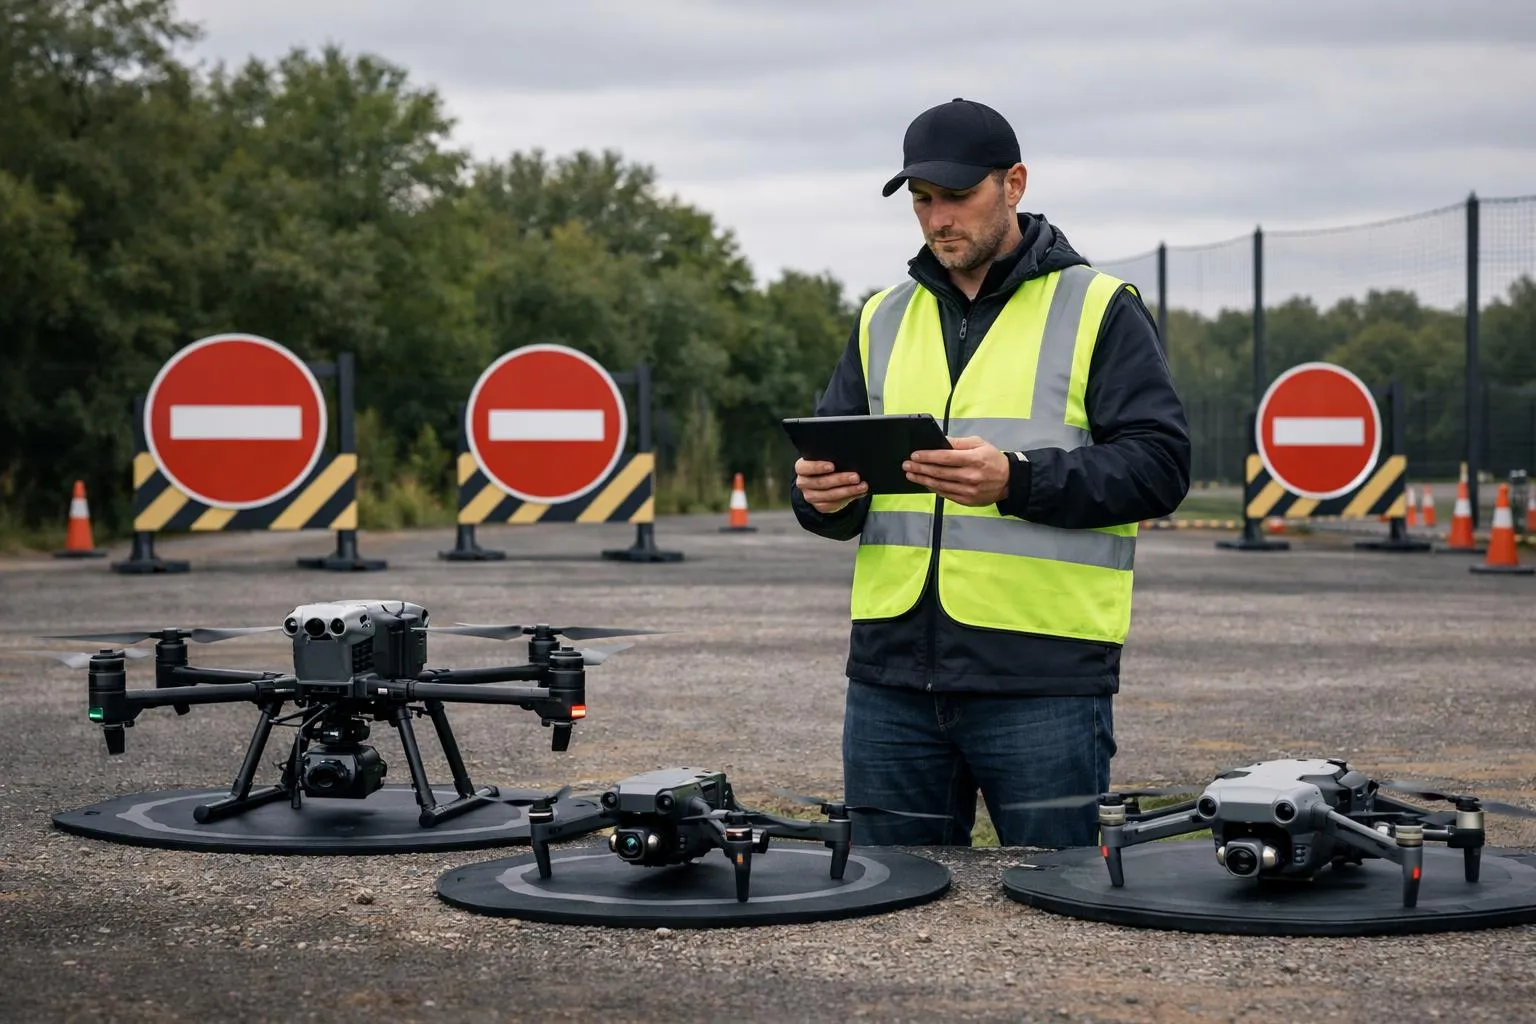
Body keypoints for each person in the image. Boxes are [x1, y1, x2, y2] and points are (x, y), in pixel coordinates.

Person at [791, 97, 1191, 849]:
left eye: (957, 196)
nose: (939, 219)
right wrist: (821, 498)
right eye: (922, 201)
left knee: (1062, 913)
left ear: (1015, 184)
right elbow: (828, 476)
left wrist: (1016, 479)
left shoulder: (1099, 308)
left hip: (1042, 681)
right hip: (891, 682)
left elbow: (1161, 467)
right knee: (882, 913)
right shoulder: (883, 316)